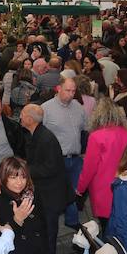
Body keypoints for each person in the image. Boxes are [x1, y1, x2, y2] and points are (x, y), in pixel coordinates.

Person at [20, 104, 73, 254]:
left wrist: (26, 170)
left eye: (22, 114)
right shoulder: (35, 134)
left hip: (51, 197)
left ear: (29, 119)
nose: (20, 117)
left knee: (49, 234)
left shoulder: (46, 138)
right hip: (44, 194)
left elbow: (50, 168)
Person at [76, 96, 127, 230]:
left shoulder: (97, 136)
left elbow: (89, 168)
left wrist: (80, 189)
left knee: (107, 228)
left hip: (104, 189)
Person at [41, 77, 86, 229]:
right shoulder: (46, 108)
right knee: (56, 191)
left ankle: (72, 221)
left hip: (75, 158)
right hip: (56, 159)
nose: (71, 94)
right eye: (68, 90)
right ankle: (52, 223)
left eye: (74, 91)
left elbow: (85, 129)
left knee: (74, 191)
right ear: (58, 88)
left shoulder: (78, 107)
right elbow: (39, 134)